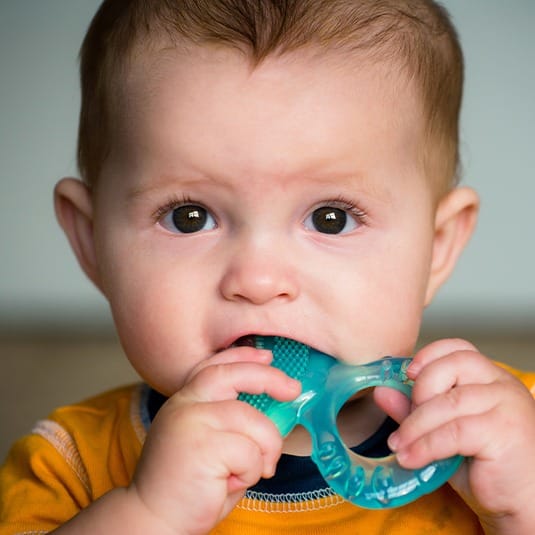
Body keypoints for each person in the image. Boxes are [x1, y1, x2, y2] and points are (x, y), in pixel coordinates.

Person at [1, 0, 535, 533]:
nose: (258, 281)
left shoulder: (507, 429)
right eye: (189, 217)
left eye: (331, 218)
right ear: (91, 243)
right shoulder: (69, 466)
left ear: (436, 246)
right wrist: (148, 514)